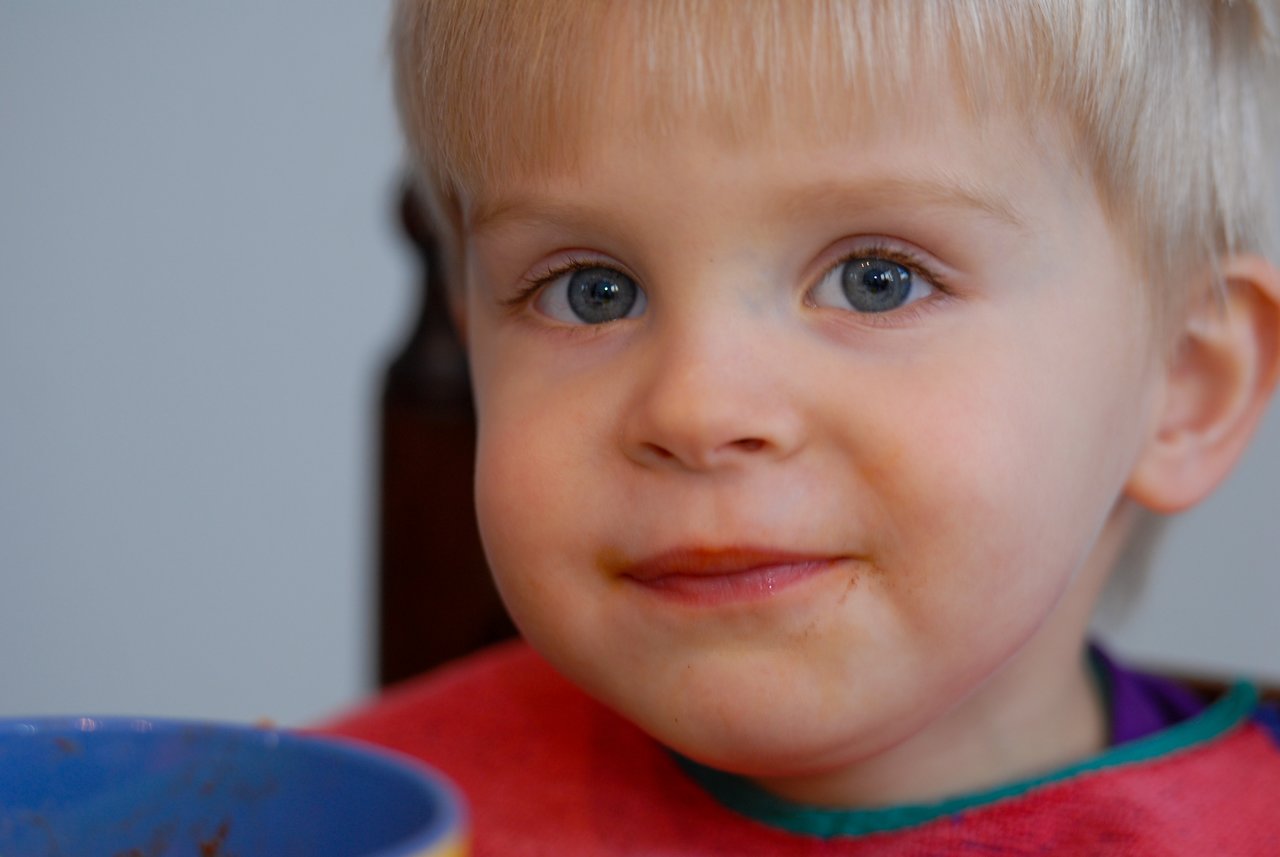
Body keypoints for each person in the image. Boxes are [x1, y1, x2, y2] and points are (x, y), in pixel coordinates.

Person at [326, 2, 1280, 853]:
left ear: (1188, 385)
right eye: (591, 292)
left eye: (878, 279)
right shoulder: (350, 816)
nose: (697, 409)